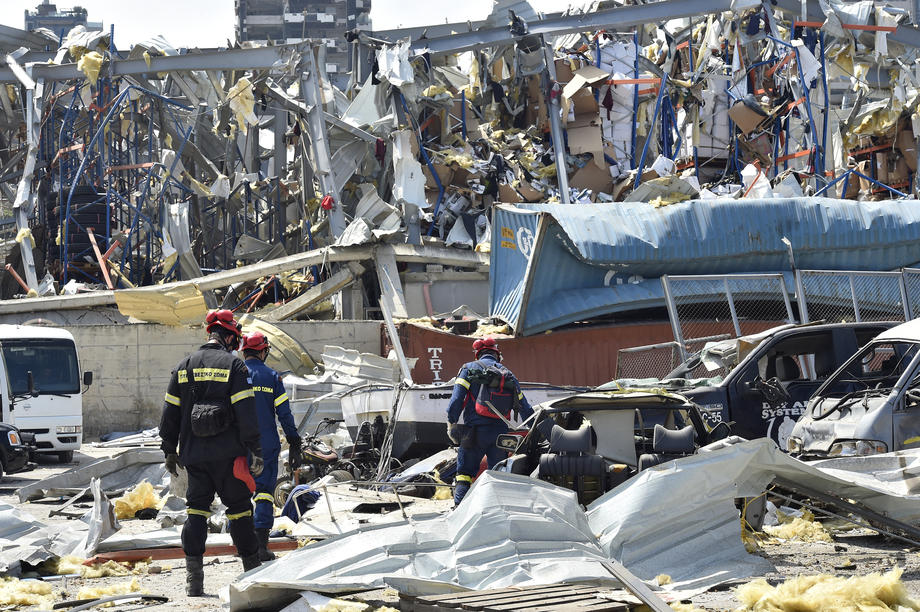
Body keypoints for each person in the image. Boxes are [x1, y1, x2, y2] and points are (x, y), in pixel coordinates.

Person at [159, 309, 264, 597]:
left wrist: (169, 449)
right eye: (235, 339)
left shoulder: (184, 366)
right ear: (229, 337)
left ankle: (194, 583)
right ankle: (252, 578)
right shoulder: (235, 367)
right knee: (241, 513)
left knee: (195, 514)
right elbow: (246, 413)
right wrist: (254, 449)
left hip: (195, 457)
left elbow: (169, 412)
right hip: (230, 458)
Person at [446, 337, 532, 505]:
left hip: (473, 432)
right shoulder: (509, 374)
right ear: (497, 355)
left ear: (477, 354)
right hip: (500, 435)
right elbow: (525, 407)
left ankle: (459, 510)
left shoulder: (468, 369)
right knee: (498, 476)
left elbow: (456, 400)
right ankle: (497, 512)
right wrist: (534, 429)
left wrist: (451, 422)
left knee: (464, 474)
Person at [239, 331, 302, 561]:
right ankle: (261, 546)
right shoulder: (272, 377)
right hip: (265, 444)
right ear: (263, 351)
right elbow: (284, 414)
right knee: (264, 492)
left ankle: (242, 542)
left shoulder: (236, 373)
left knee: (240, 492)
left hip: (239, 445)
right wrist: (294, 441)